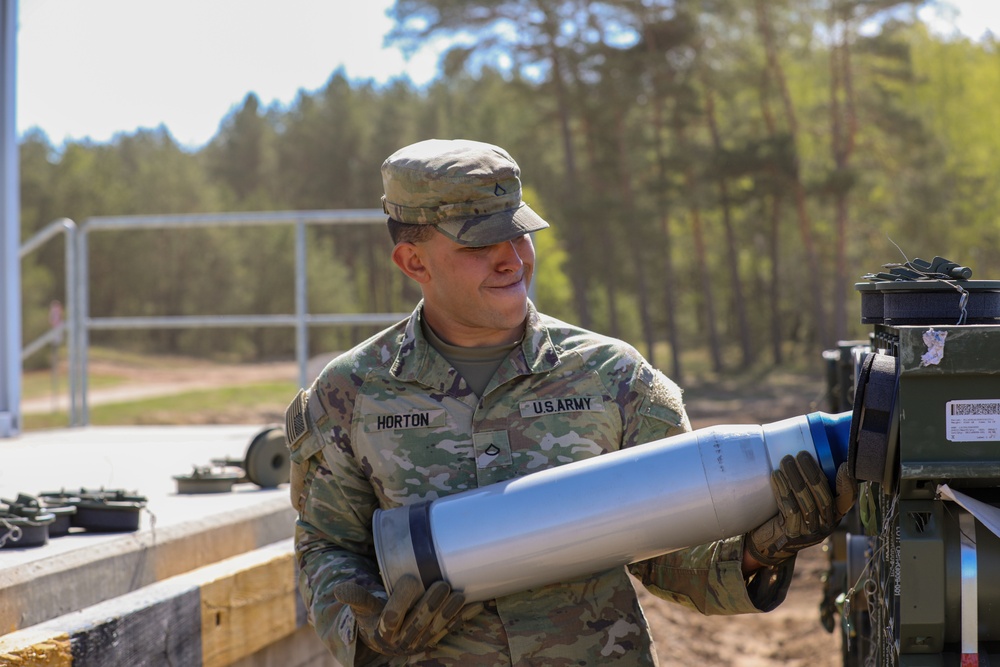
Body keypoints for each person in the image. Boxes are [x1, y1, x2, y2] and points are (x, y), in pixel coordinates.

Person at [284, 138, 857, 666]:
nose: (512, 259)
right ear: (414, 261)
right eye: (480, 243)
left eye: (519, 232)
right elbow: (328, 544)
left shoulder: (614, 376)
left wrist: (761, 549)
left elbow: (672, 560)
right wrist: (369, 630)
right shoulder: (350, 394)